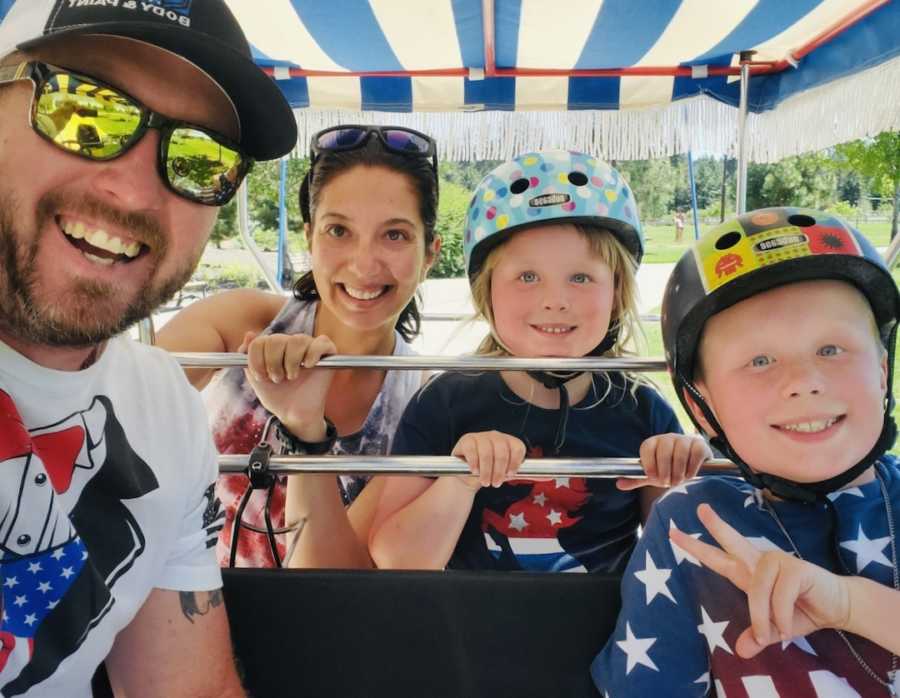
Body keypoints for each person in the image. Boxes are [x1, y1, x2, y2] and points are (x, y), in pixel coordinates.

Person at [0, 1, 297, 696]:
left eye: (200, 158)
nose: (133, 190)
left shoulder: (163, 409)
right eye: (86, 112)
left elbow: (191, 688)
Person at [592, 207, 900, 696]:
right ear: (701, 402)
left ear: (882, 371)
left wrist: (849, 604)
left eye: (831, 350)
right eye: (760, 360)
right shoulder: (691, 527)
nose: (802, 382)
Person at [369, 151, 710, 573]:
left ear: (616, 292)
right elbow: (396, 560)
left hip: (607, 635)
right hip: (465, 630)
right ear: (487, 291)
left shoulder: (642, 409)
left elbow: (683, 563)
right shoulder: (445, 403)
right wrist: (460, 479)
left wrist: (678, 475)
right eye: (527, 277)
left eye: (581, 277)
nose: (554, 301)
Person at [156, 125, 441, 569]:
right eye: (338, 231)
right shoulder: (240, 323)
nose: (364, 264)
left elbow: (336, 579)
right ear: (309, 239)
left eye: (395, 235)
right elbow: (117, 408)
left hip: (312, 624)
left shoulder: (424, 403)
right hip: (183, 608)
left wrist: (304, 429)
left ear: (430, 255)